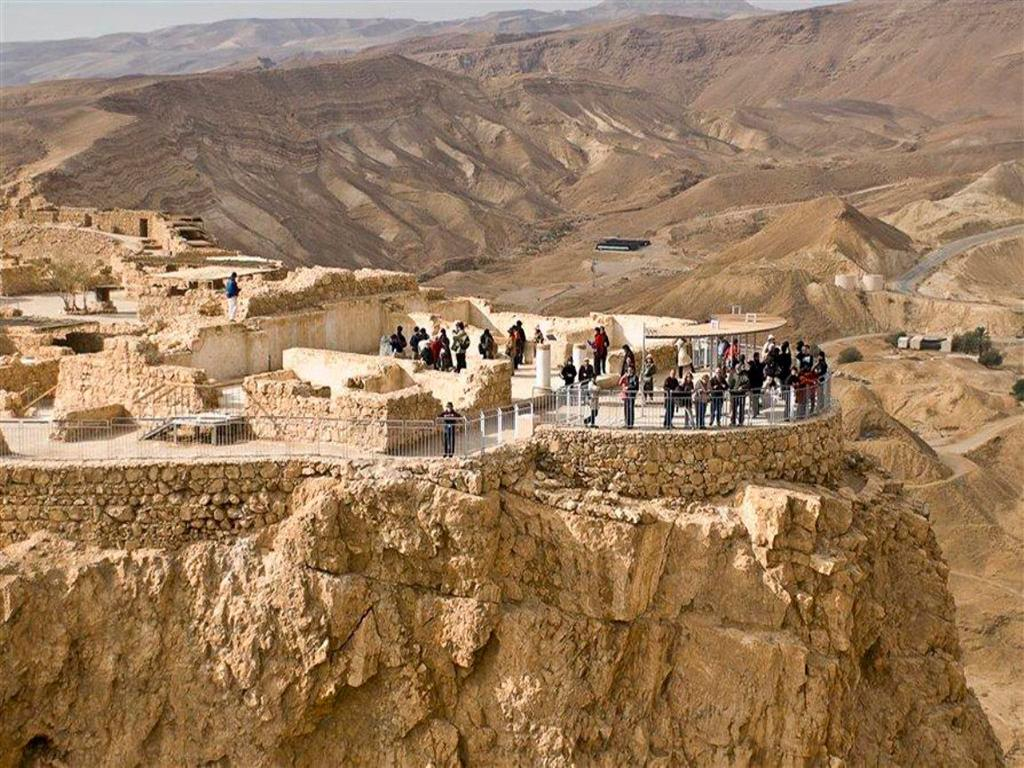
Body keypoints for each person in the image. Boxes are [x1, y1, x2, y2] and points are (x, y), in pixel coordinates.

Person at [747, 352, 765, 419]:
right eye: (757, 357)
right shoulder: (753, 365)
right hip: (753, 385)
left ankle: (755, 412)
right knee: (754, 399)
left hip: (757, 385)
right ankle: (755, 412)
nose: (758, 358)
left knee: (755, 399)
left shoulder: (758, 365)